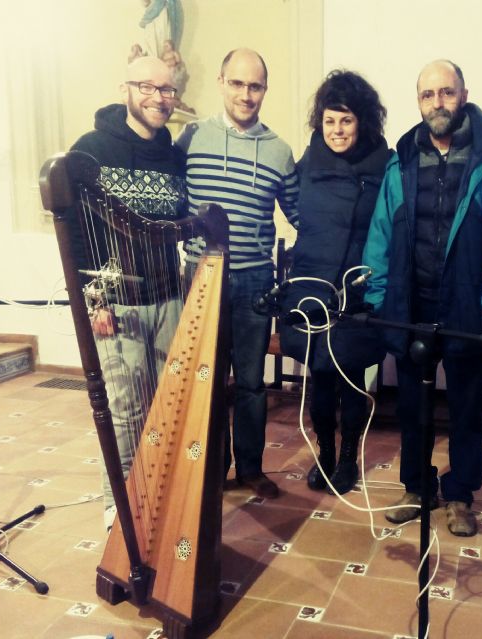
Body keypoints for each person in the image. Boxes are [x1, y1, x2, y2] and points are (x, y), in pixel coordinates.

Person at [362, 59, 482, 536]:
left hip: (468, 311)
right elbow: (380, 235)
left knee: (466, 410)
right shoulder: (402, 159)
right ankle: (417, 489)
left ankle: (459, 495)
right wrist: (380, 298)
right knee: (412, 409)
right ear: (418, 102)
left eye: (446, 92)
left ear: (463, 95)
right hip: (410, 309)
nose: (437, 102)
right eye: (428, 94)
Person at [176, 48, 299, 499]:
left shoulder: (280, 151)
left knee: (250, 382)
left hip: (254, 283)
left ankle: (250, 468)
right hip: (200, 278)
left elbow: (301, 214)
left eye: (255, 86)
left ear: (265, 90)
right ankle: (211, 469)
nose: (246, 94)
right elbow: (170, 203)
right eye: (237, 83)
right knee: (206, 380)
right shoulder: (191, 138)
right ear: (221, 82)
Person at [70, 56, 187, 529]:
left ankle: (156, 492)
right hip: (116, 304)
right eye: (147, 86)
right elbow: (74, 231)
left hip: (169, 298)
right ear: (126, 89)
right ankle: (114, 504)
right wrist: (93, 299)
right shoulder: (90, 150)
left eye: (167, 89)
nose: (158, 97)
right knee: (123, 410)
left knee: (166, 403)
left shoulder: (175, 156)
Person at [279, 70, 390, 495]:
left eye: (346, 120)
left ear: (362, 121)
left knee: (352, 379)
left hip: (357, 290)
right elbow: (293, 206)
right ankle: (325, 453)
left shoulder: (384, 164)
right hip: (312, 286)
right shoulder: (308, 163)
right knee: (321, 378)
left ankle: (347, 459)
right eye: (329, 120)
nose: (337, 130)